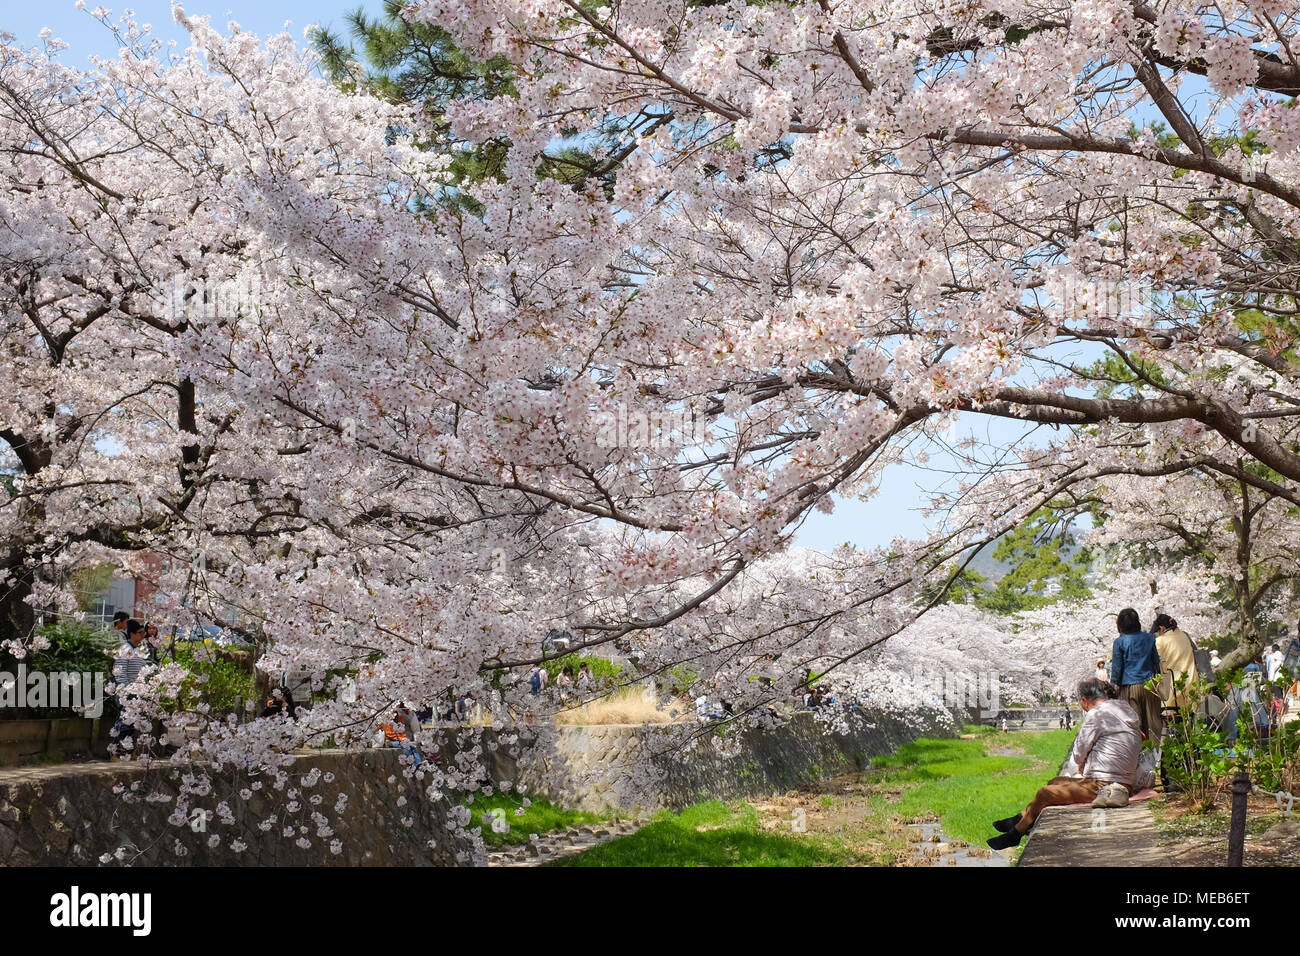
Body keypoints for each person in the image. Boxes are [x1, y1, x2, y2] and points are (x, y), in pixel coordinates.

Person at [986, 678, 1141, 850]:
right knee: (1055, 782)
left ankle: (1016, 833)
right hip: (1122, 779)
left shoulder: (1096, 714)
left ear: (1084, 700)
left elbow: (1079, 752)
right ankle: (1019, 818)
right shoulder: (1124, 708)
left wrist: (1078, 769)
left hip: (1105, 785)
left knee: (1046, 792)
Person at [1110, 608, 1163, 741]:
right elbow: (1156, 662)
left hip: (1129, 687)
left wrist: (1113, 685)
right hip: (1150, 685)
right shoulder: (1149, 638)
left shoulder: (1120, 642)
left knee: (1134, 727)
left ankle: (1137, 758)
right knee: (1154, 725)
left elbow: (1117, 667)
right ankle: (1156, 757)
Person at [111, 619, 157, 757]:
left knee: (132, 723)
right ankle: (117, 752)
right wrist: (128, 691)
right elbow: (119, 673)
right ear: (131, 634)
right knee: (125, 722)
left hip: (136, 692)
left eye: (143, 632)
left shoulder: (138, 650)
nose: (142, 635)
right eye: (139, 633)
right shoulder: (125, 650)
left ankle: (128, 752)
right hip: (125, 693)